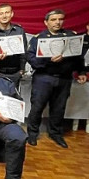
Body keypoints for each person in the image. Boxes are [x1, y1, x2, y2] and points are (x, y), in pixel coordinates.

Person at [26, 9, 87, 148]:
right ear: (46, 22)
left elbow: (78, 58)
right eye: (53, 19)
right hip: (43, 78)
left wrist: (82, 72)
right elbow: (31, 59)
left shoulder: (71, 37)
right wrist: (49, 61)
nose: (57, 22)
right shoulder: (38, 39)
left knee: (59, 108)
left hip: (64, 79)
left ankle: (55, 133)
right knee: (37, 107)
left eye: (60, 19)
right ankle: (32, 134)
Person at [0, 4, 27, 90]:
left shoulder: (19, 31)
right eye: (1, 13)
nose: (4, 16)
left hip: (15, 73)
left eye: (7, 12)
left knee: (13, 100)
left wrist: (22, 70)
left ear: (12, 14)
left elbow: (24, 52)